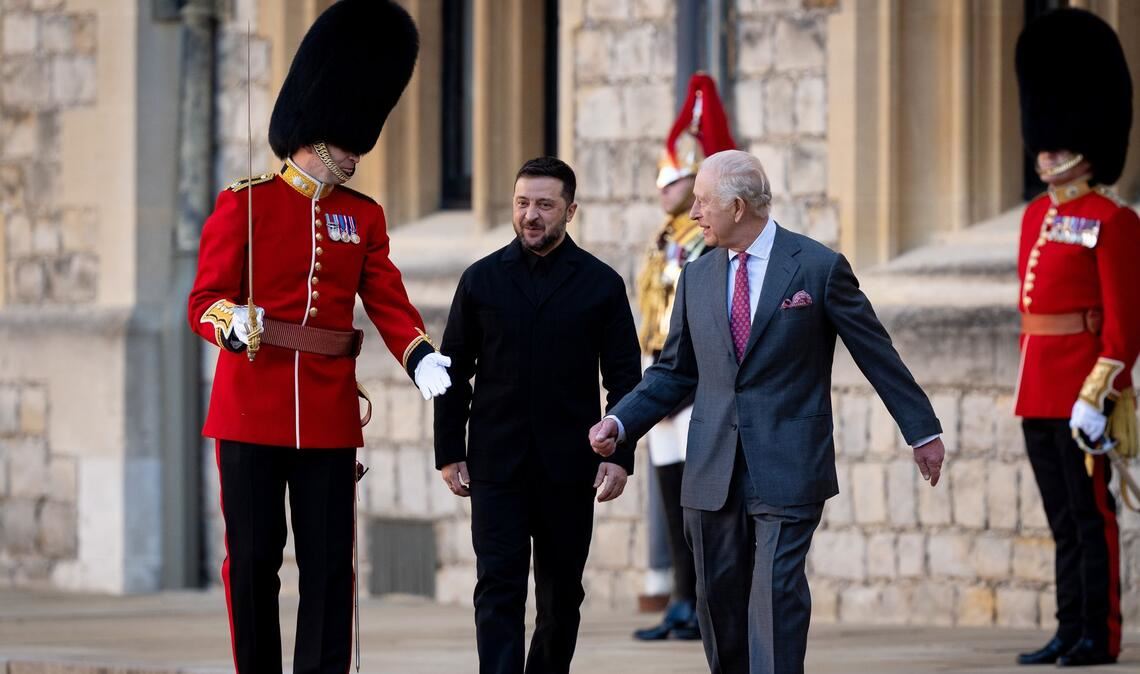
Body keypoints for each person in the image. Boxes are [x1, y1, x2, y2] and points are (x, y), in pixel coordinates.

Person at [589, 150, 946, 674]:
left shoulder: (818, 268)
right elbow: (673, 371)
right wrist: (620, 423)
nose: (693, 215)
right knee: (719, 605)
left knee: (775, 596)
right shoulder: (697, 276)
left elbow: (877, 354)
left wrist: (922, 431)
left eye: (703, 203)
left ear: (737, 207)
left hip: (788, 463)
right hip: (711, 467)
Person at [186, 2, 451, 672]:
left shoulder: (361, 217)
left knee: (330, 566)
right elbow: (203, 298)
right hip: (250, 404)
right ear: (315, 135)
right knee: (251, 562)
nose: (357, 154)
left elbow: (386, 298)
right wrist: (232, 319)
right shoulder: (244, 203)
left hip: (328, 414)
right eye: (348, 141)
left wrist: (419, 357)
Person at [434, 157, 642, 674]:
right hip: (496, 465)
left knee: (561, 597)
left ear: (570, 211)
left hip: (569, 468)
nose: (531, 215)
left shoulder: (602, 285)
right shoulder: (481, 280)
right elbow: (452, 372)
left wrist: (621, 457)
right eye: (523, 203)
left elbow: (626, 381)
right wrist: (448, 452)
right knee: (497, 588)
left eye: (545, 205)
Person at [1012, 8, 1139, 668]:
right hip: (1037, 388)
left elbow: (1123, 323)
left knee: (1095, 519)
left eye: (1058, 139)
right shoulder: (1036, 214)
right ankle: (1068, 628)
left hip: (1084, 390)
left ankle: (1101, 632)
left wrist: (1100, 394)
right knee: (1062, 521)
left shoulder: (1111, 219)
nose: (1046, 148)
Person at [633, 72, 735, 642]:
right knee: (671, 494)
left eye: (673, 179)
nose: (662, 188)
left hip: (695, 380)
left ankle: (704, 603)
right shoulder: (665, 237)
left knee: (702, 498)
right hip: (664, 369)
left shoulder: (702, 239)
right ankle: (680, 598)